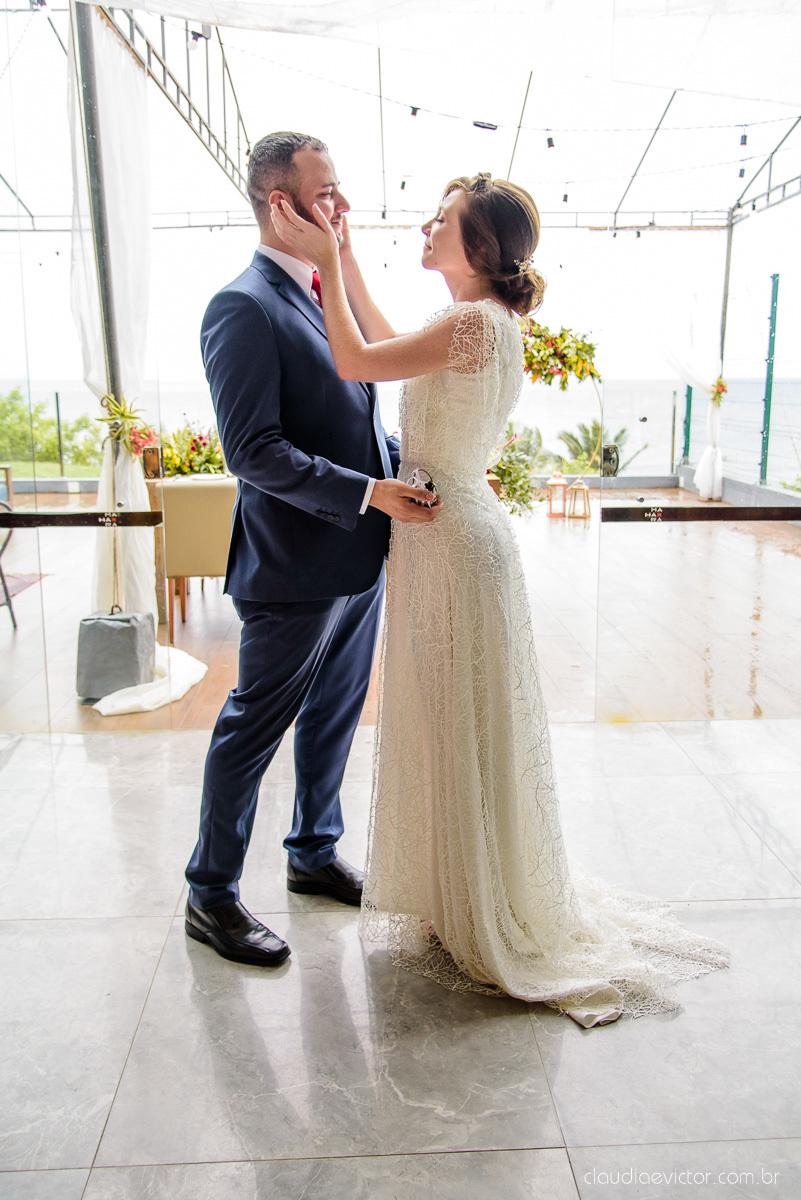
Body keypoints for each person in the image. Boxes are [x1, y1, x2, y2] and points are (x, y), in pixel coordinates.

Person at [270, 172, 731, 1024]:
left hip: (452, 544)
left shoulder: (475, 324)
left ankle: (481, 903)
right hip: (443, 535)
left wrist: (329, 256)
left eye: (440, 218)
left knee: (459, 719)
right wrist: (342, 260)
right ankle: (463, 891)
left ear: (477, 246)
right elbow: (378, 337)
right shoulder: (472, 321)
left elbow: (352, 360)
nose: (425, 223)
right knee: (455, 721)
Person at [184, 132, 439, 968]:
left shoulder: (326, 294)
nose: (342, 208)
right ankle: (211, 893)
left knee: (332, 716)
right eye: (326, 194)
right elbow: (251, 451)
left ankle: (312, 852)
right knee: (252, 728)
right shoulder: (242, 306)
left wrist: (409, 477)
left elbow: (359, 418)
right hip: (293, 567)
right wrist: (367, 492)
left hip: (358, 556)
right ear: (280, 205)